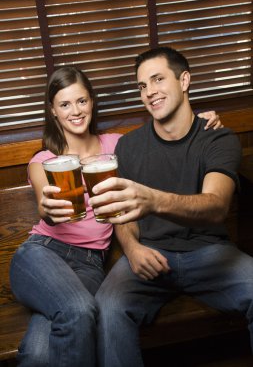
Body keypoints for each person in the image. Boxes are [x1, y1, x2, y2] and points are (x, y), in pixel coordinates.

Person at [9, 64, 221, 367]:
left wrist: (200, 123)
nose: (75, 111)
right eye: (65, 104)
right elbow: (47, 207)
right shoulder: (43, 160)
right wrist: (50, 209)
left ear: (92, 103)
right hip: (42, 254)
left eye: (82, 101)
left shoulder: (117, 145)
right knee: (80, 310)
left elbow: (162, 135)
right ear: (53, 111)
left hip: (90, 264)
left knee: (40, 351)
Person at [88, 47, 253, 367]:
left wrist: (152, 200)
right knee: (106, 307)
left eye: (158, 79)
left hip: (209, 253)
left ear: (185, 80)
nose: (149, 92)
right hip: (150, 254)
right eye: (142, 86)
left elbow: (217, 206)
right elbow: (121, 214)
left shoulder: (218, 139)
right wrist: (132, 248)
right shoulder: (129, 145)